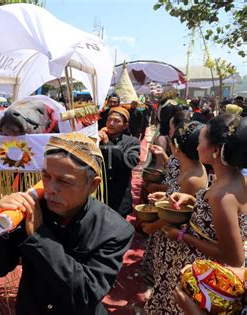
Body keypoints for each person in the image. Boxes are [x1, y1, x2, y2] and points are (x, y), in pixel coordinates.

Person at [0, 133, 135, 314]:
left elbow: (85, 294)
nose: (50, 189)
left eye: (64, 181)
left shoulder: (115, 230)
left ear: (93, 185)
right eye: (46, 176)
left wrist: (39, 236)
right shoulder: (31, 210)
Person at [159, 114, 247, 313]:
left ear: (216, 150)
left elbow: (234, 258)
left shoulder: (222, 196)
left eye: (200, 142)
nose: (197, 147)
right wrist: (191, 199)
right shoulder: (233, 179)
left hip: (204, 275)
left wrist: (182, 236)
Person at [143, 121, 208, 314]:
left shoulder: (192, 177)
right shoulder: (188, 169)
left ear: (176, 148)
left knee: (171, 284)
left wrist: (154, 226)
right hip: (170, 232)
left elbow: (178, 214)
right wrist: (164, 196)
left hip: (175, 234)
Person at [99, 106, 141, 217]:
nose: (111, 123)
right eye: (109, 120)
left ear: (125, 126)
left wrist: (108, 144)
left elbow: (131, 161)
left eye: (116, 121)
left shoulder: (132, 142)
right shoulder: (98, 138)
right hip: (100, 194)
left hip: (119, 196)